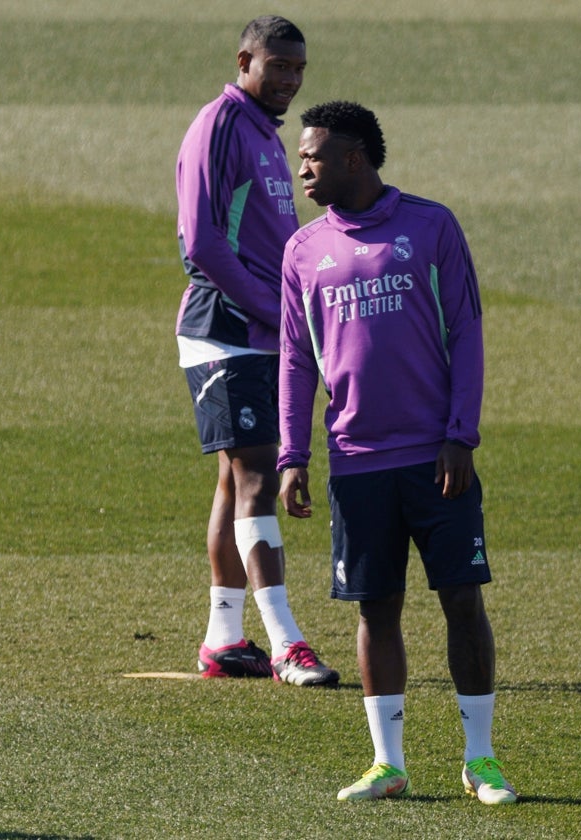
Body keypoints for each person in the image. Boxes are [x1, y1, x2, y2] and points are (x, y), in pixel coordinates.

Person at [277, 100, 517, 805]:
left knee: (462, 600)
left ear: (355, 156)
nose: (304, 167)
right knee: (374, 609)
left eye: (314, 154)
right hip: (356, 461)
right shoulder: (303, 249)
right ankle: (389, 763)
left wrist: (459, 434)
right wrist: (293, 454)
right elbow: (295, 358)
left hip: (434, 458)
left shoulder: (431, 226)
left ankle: (482, 760)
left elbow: (466, 331)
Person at [175, 15, 337, 686]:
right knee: (254, 481)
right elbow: (202, 243)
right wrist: (277, 311)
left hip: (260, 332)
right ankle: (285, 643)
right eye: (279, 68)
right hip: (228, 330)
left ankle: (224, 639)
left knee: (235, 480)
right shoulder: (219, 124)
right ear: (246, 60)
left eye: (299, 70)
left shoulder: (265, 136)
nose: (291, 81)